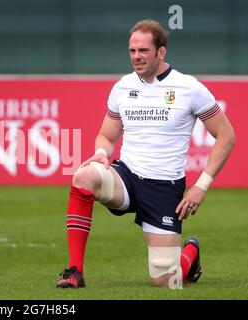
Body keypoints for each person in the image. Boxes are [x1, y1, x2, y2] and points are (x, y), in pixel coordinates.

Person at [56, 19, 235, 288]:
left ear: (161, 52)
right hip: (125, 177)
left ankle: (191, 253)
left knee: (166, 280)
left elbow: (226, 136)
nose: (136, 57)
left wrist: (201, 187)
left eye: (143, 51)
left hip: (164, 187)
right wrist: (102, 152)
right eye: (132, 51)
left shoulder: (189, 87)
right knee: (83, 176)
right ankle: (74, 272)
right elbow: (106, 135)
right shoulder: (122, 87)